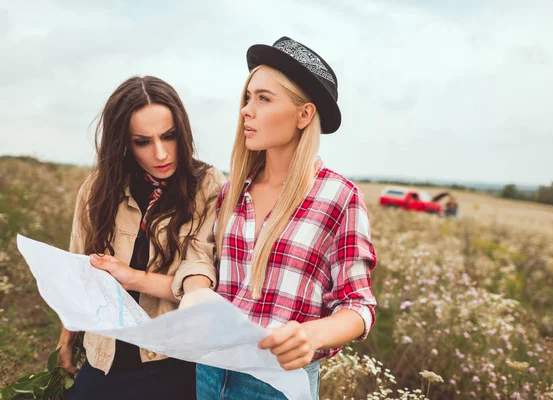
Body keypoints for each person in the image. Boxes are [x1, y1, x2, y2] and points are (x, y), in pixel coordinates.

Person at [195, 36, 377, 400]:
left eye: (263, 98)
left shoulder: (338, 197)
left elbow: (359, 306)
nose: (247, 110)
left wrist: (311, 336)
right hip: (209, 371)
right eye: (248, 97)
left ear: (304, 114)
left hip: (275, 383)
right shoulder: (232, 192)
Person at [56, 76, 226, 400]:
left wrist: (132, 279)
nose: (161, 153)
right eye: (143, 141)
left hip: (176, 362)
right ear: (123, 142)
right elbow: (79, 270)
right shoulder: (97, 189)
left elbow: (203, 280)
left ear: (183, 132)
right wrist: (67, 337)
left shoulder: (208, 187)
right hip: (105, 358)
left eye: (169, 136)